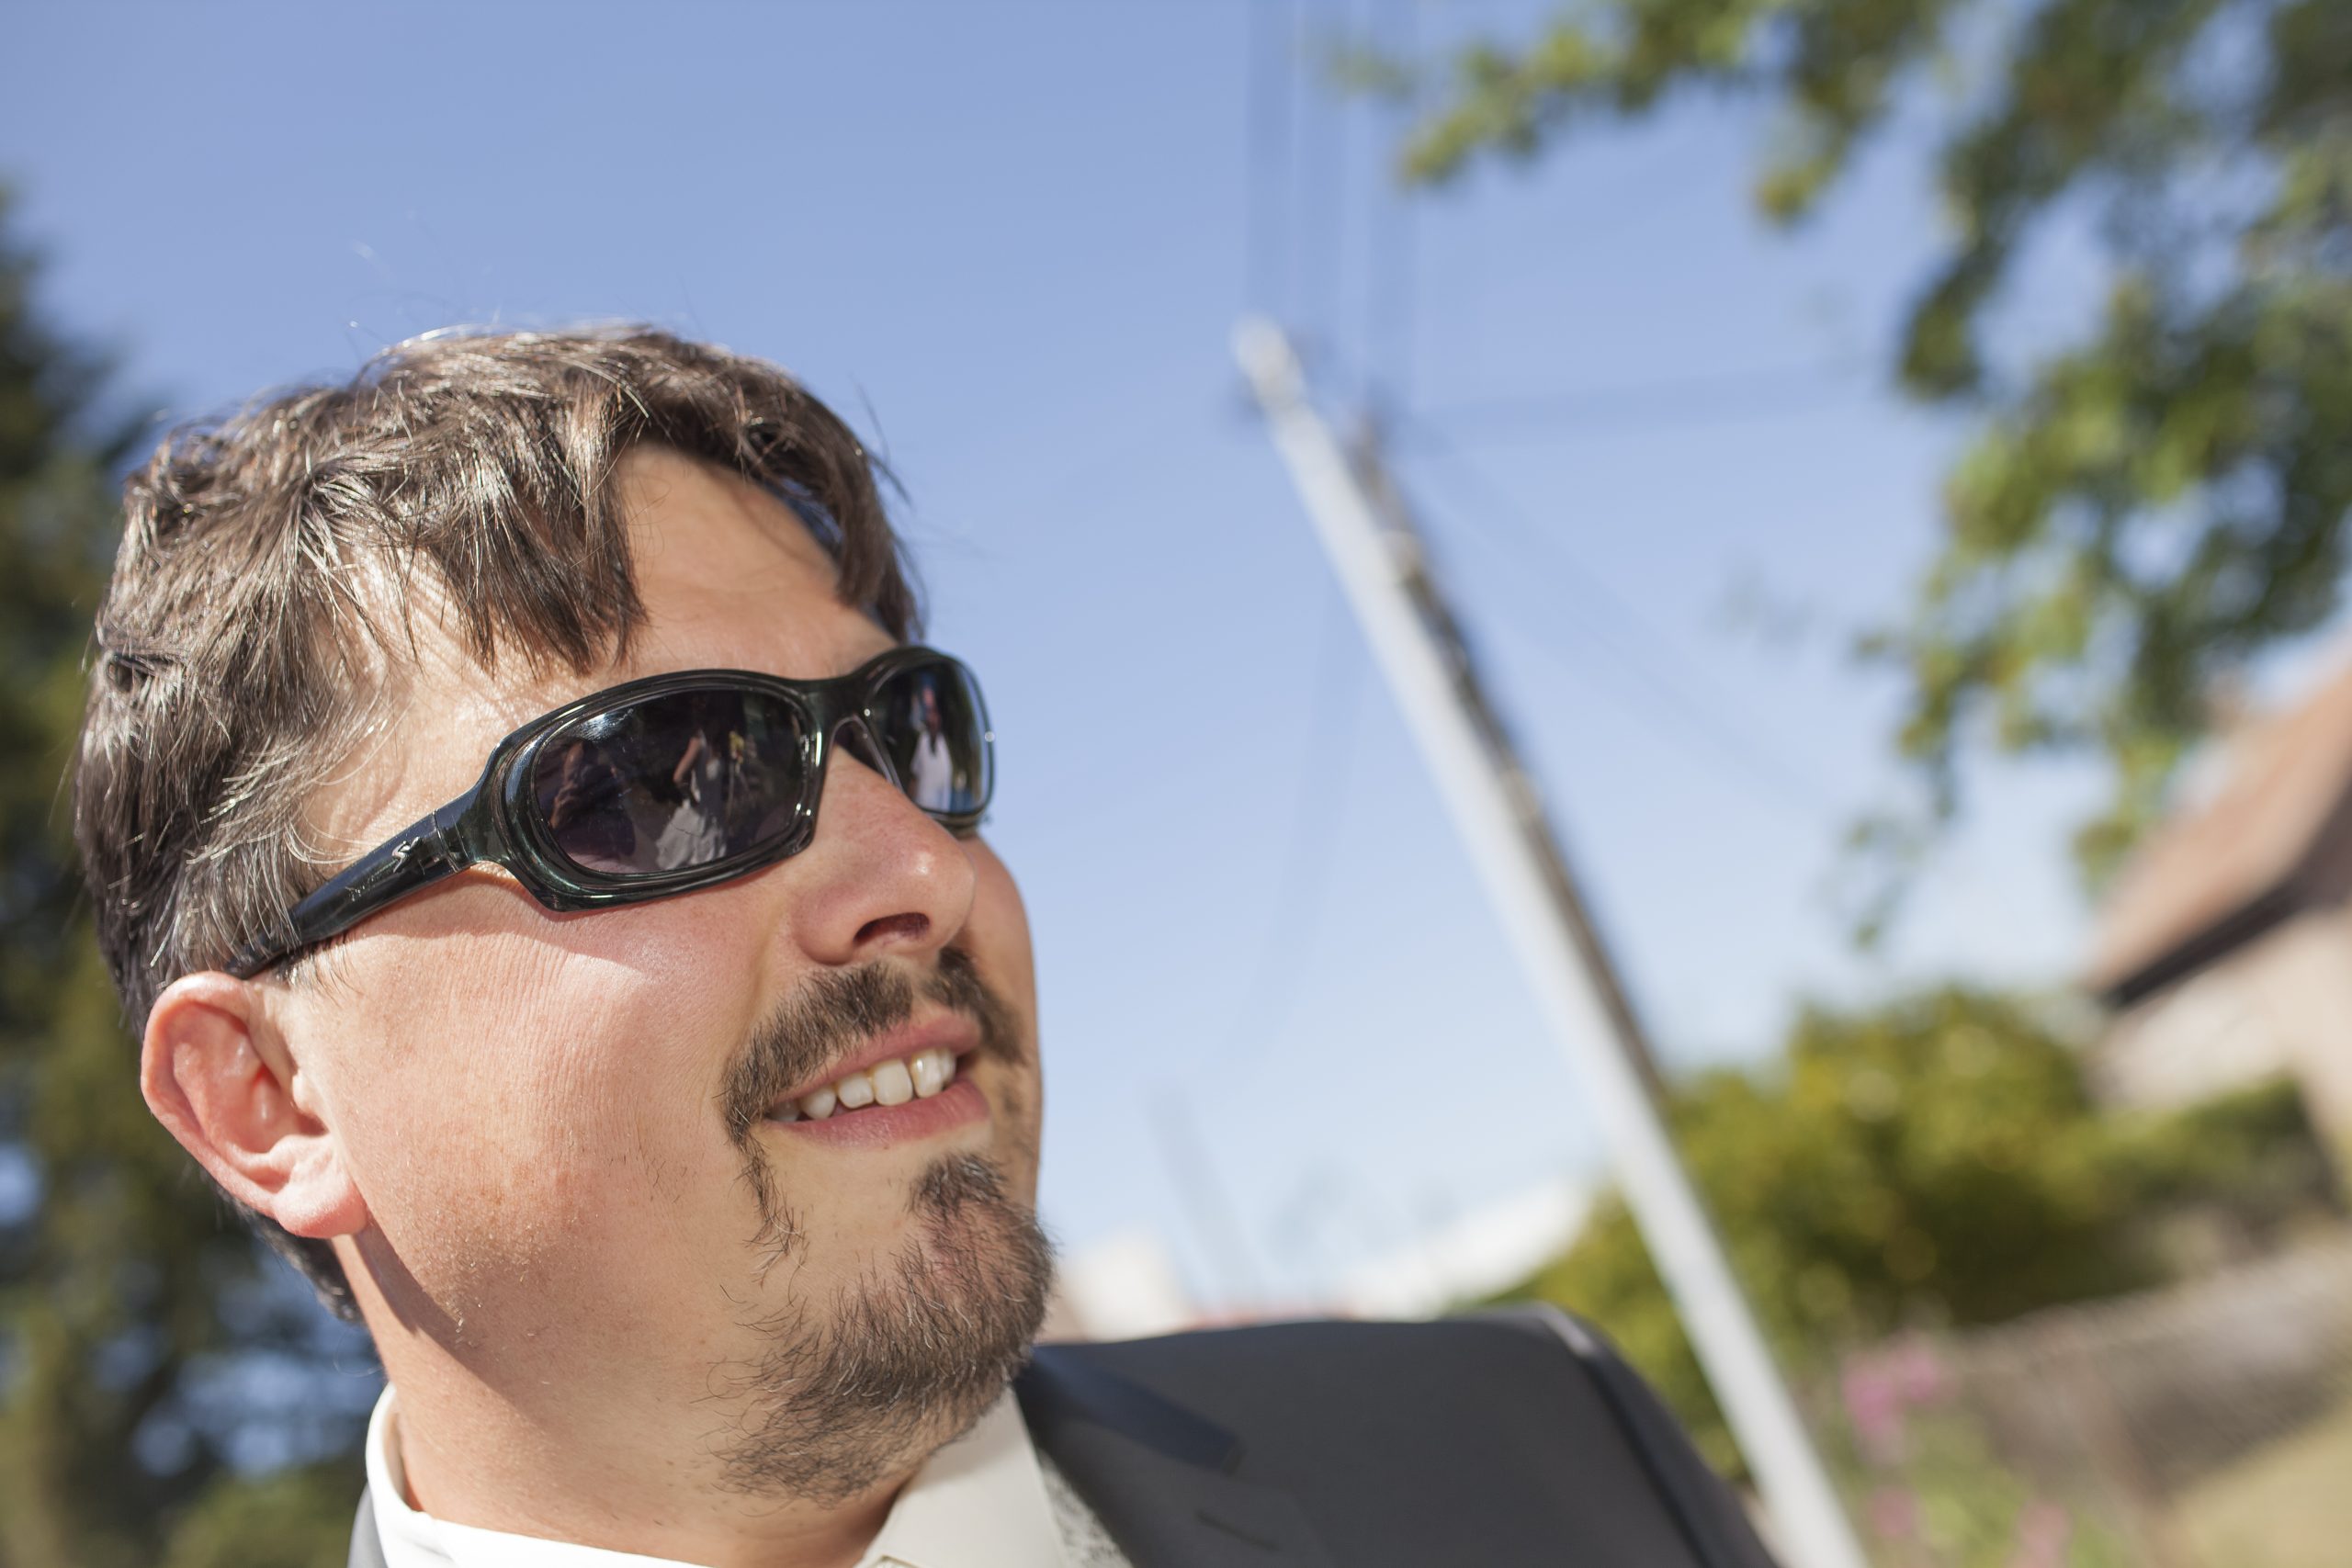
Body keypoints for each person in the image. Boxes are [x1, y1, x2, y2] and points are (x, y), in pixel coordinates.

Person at [73, 329, 1780, 1568]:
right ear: (269, 1098)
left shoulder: (1543, 1453)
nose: (920, 866)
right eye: (659, 784)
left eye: (907, 733)